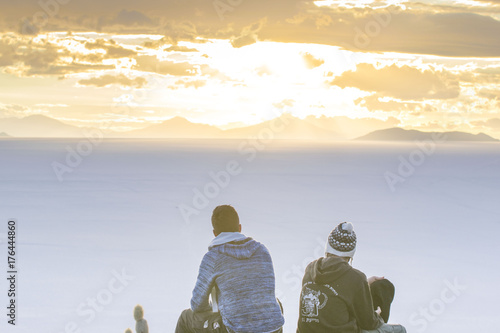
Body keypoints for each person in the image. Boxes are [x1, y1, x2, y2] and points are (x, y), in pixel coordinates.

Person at [176, 205, 285, 333]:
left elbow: (197, 304)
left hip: (235, 330)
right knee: (276, 303)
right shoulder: (262, 251)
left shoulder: (213, 257)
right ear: (239, 228)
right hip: (273, 328)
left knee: (185, 318)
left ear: (215, 233)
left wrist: (217, 308)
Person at [296, 222, 406, 333]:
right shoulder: (356, 278)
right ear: (350, 254)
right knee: (400, 330)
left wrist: (364, 284)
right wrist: (377, 315)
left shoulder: (310, 269)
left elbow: (331, 294)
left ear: (328, 248)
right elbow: (368, 323)